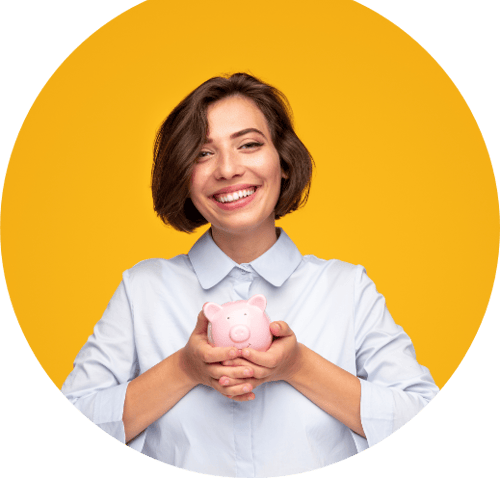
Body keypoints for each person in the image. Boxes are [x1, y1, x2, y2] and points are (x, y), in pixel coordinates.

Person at [62, 73, 439, 477]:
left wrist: (298, 367)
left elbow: (424, 421)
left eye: (249, 144)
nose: (227, 169)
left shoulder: (346, 288)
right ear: (182, 175)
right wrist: (183, 370)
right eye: (203, 154)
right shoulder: (143, 290)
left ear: (285, 161)